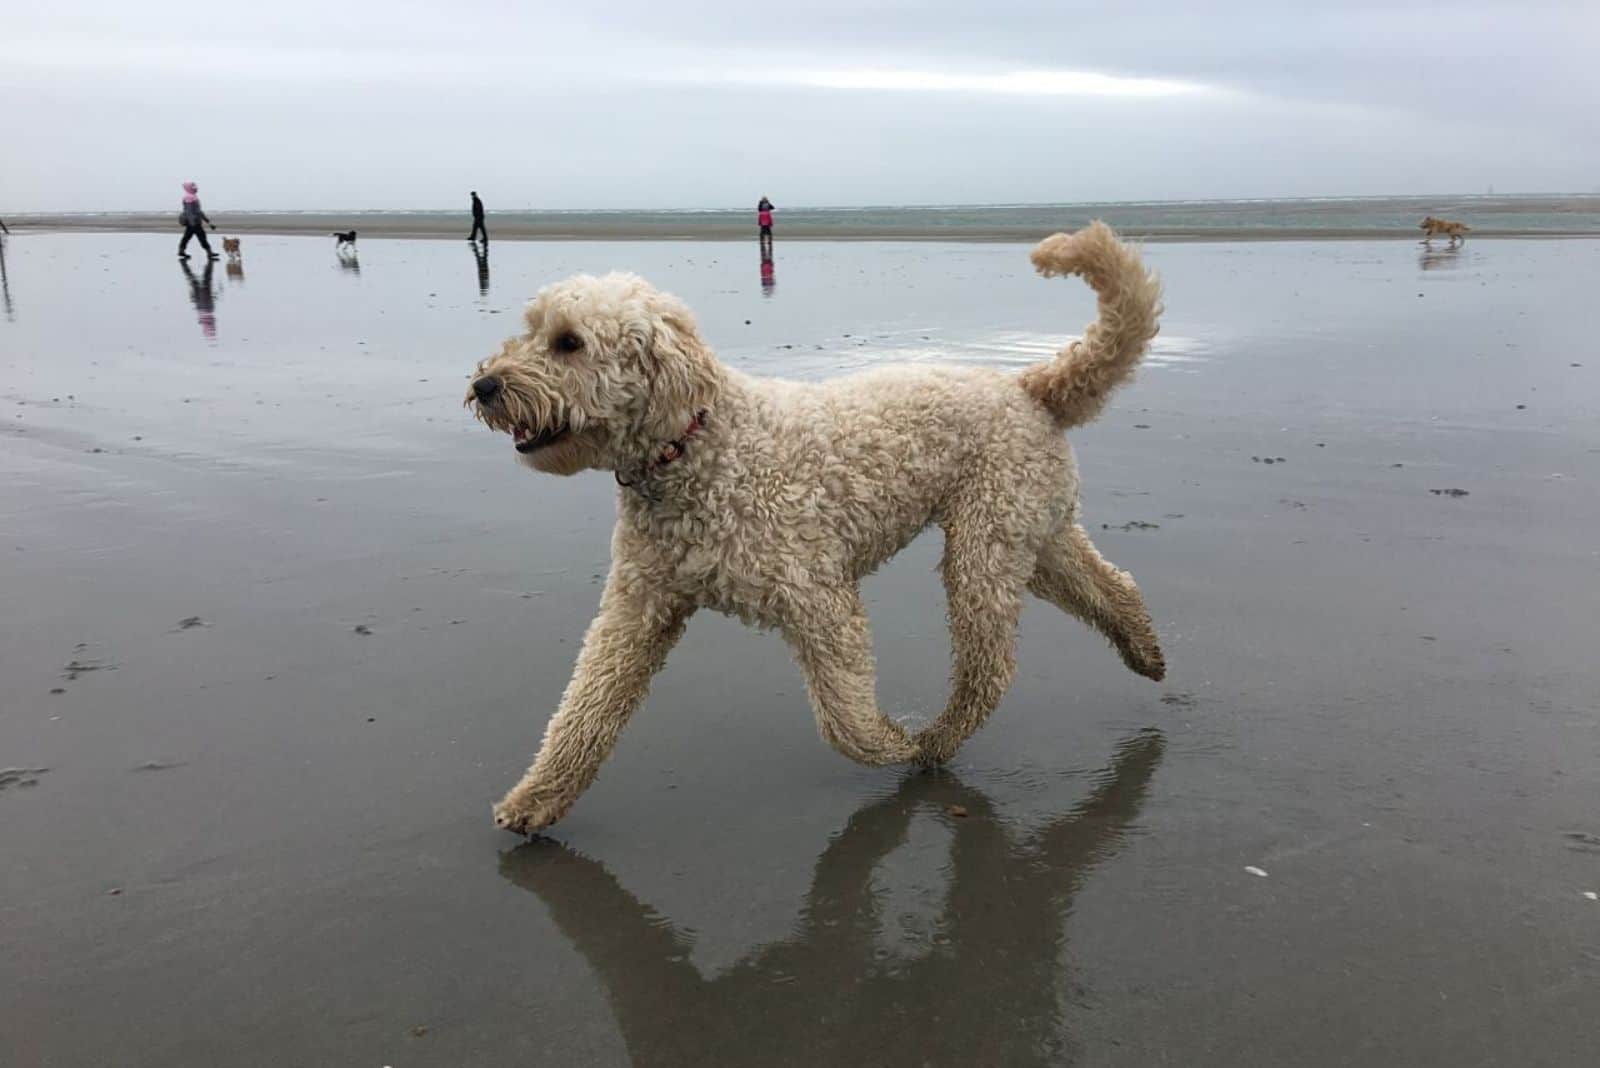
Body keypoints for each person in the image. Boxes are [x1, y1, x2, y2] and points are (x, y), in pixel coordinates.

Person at [178, 182, 217, 260]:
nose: (195, 188)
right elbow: (189, 212)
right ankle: (209, 253)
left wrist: (208, 222)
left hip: (194, 222)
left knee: (187, 237)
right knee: (202, 237)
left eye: (195, 186)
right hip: (194, 222)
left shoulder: (193, 196)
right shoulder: (188, 197)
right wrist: (193, 223)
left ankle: (181, 251)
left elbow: (199, 211)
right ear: (189, 188)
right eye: (193, 187)